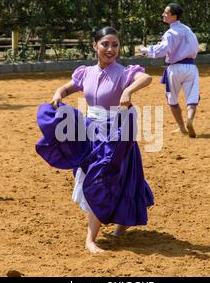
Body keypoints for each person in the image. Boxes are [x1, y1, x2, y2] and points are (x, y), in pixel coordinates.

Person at [36, 26, 154, 253]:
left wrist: (129, 90)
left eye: (115, 45)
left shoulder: (125, 72)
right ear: (95, 46)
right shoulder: (86, 73)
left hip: (119, 132)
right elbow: (67, 87)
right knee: (102, 178)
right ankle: (103, 233)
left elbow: (146, 78)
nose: (110, 49)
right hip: (92, 133)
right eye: (105, 44)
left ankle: (106, 233)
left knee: (118, 177)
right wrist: (58, 94)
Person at [140, 3, 200, 137]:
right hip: (191, 67)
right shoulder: (188, 30)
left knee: (172, 100)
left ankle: (182, 127)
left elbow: (162, 50)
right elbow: (195, 47)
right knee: (192, 98)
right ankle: (189, 120)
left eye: (166, 13)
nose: (163, 14)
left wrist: (144, 50)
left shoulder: (170, 33)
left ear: (174, 16)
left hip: (174, 68)